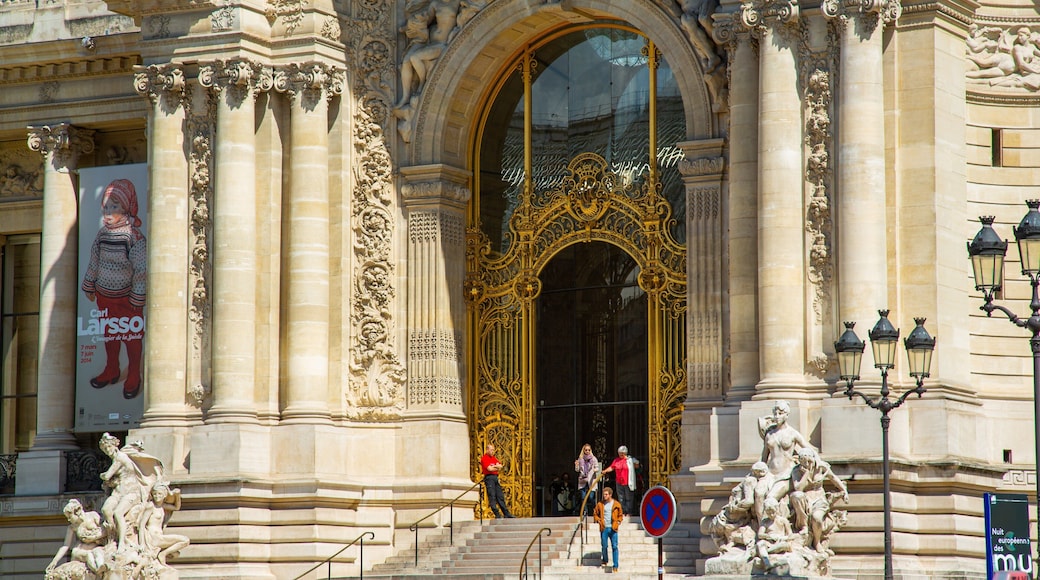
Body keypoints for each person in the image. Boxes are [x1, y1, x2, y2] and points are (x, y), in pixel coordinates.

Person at [81, 178, 147, 399]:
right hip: (105, 296)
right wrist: (89, 284)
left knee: (131, 336)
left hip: (126, 299)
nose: (108, 212)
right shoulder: (102, 234)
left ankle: (134, 373)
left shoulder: (133, 236)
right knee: (109, 334)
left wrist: (137, 297)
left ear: (126, 208)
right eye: (106, 207)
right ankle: (112, 368)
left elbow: (141, 270)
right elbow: (94, 260)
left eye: (115, 207)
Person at [99, 433, 164, 549]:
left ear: (114, 446)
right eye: (105, 448)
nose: (107, 450)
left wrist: (103, 476)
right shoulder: (115, 459)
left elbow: (107, 475)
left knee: (118, 513)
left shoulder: (120, 458)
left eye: (109, 446)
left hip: (131, 492)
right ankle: (113, 537)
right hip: (118, 492)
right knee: (106, 510)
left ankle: (122, 543)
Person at [46, 499, 108, 575]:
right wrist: (54, 561)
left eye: (70, 517)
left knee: (97, 552)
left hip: (97, 547)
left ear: (77, 512)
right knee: (88, 555)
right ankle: (97, 570)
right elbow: (65, 546)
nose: (68, 520)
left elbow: (105, 529)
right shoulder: (72, 527)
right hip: (81, 550)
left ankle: (101, 567)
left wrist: (94, 537)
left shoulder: (92, 516)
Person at [758, 400, 813, 481]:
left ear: (787, 415)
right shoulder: (769, 435)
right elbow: (764, 457)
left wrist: (817, 462)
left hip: (787, 473)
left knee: (775, 491)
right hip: (770, 473)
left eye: (780, 413)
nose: (777, 416)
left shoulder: (793, 433)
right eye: (775, 414)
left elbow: (810, 449)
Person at [138, 481, 190, 566]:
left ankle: (163, 554)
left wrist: (177, 495)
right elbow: (141, 525)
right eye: (155, 494)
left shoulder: (162, 506)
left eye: (159, 494)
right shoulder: (151, 506)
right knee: (185, 540)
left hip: (159, 537)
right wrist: (142, 543)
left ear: (165, 495)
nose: (157, 496)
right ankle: (163, 554)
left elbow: (176, 507)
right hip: (153, 538)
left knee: (176, 553)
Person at [480, 443, 514, 518]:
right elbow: (489, 469)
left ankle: (506, 513)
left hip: (495, 477)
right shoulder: (484, 458)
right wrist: (496, 467)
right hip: (489, 478)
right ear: (487, 450)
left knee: (500, 496)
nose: (493, 451)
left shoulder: (493, 458)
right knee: (492, 496)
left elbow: (500, 466)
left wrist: (494, 466)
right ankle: (497, 514)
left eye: (493, 450)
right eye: (491, 450)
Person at [593, 486, 623, 572]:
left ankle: (615, 565)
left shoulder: (616, 504)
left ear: (610, 495)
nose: (604, 496)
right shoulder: (600, 504)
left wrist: (618, 521)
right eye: (604, 494)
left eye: (606, 494)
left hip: (613, 528)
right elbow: (595, 513)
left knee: (614, 546)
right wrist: (598, 520)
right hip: (604, 527)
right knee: (604, 545)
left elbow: (620, 514)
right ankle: (605, 559)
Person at [602, 445, 636, 515]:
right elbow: (612, 467)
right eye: (620, 453)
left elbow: (636, 465)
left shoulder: (629, 460)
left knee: (628, 497)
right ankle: (623, 511)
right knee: (621, 498)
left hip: (627, 482)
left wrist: (633, 462)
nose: (621, 454)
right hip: (619, 482)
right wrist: (605, 471)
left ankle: (629, 511)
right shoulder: (616, 460)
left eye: (622, 453)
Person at [574, 443, 599, 516]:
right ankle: (585, 511)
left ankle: (594, 510)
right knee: (583, 497)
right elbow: (577, 470)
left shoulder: (593, 459)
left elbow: (597, 467)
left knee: (591, 497)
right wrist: (576, 465)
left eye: (589, 450)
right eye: (586, 450)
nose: (587, 451)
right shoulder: (580, 459)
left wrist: (595, 470)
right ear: (583, 450)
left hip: (591, 480)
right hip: (583, 480)